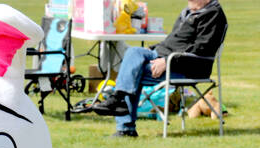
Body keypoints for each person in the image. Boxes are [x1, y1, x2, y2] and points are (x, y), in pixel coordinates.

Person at [92, 0, 227, 136]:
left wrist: (167, 61)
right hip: (164, 56)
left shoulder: (213, 15)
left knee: (134, 71)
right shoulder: (189, 11)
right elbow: (171, 41)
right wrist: (150, 51)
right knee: (133, 53)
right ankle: (119, 99)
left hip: (186, 67)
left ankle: (125, 127)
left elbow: (200, 50)